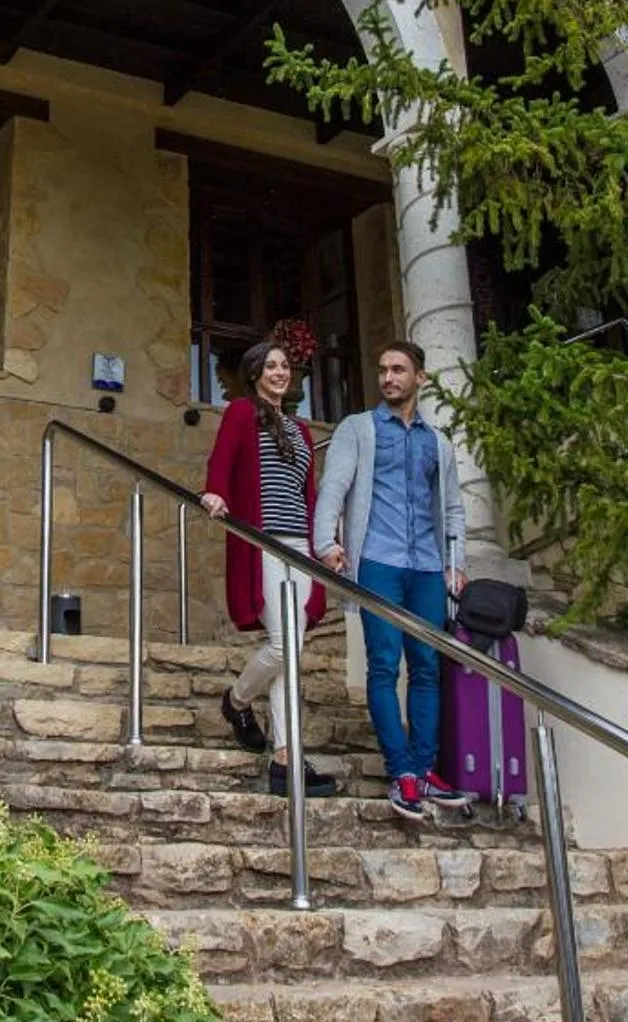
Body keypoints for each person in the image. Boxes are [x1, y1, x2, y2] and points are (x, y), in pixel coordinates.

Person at [312, 339, 469, 820]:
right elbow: (333, 486)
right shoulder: (358, 429)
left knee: (426, 665)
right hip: (377, 561)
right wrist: (326, 543)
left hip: (425, 566)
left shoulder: (437, 444)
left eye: (399, 370)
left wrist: (456, 561)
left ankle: (425, 769)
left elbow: (452, 508)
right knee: (384, 664)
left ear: (419, 378)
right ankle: (401, 771)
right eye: (383, 370)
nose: (388, 378)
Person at [198, 338, 338, 798]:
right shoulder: (241, 412)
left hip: (300, 547)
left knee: (290, 652)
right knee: (284, 646)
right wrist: (214, 492)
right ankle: (237, 702)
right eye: (271, 366)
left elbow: (308, 495)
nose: (279, 372)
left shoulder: (299, 429)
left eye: (285, 366)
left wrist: (325, 546)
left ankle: (285, 759)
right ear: (256, 372)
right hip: (264, 541)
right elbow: (222, 459)